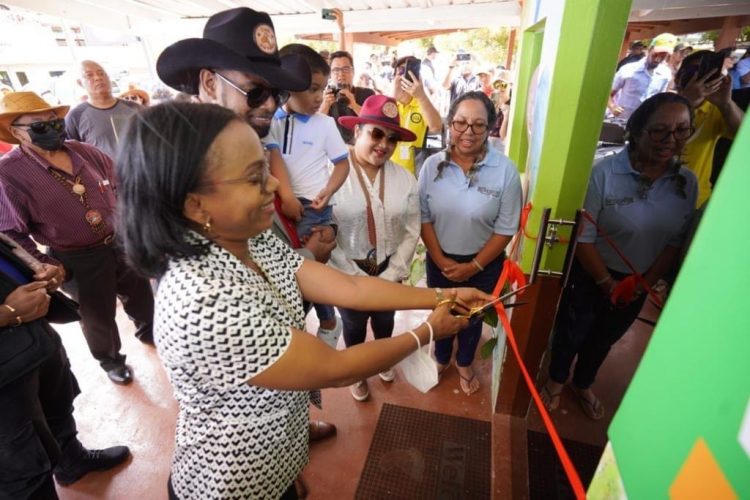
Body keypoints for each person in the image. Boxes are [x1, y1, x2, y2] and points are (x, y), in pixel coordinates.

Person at [116, 101, 491, 499]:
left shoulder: (250, 239)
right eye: (254, 177)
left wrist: (442, 293)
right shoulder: (203, 300)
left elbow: (351, 288)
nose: (276, 186)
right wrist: (428, 332)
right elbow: (335, 368)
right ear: (195, 204)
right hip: (236, 481)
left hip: (278, 450)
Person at [541, 93, 698, 420]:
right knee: (572, 331)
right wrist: (606, 283)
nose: (670, 141)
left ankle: (583, 382)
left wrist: (644, 283)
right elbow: (584, 236)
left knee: (604, 340)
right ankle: (556, 381)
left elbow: (674, 240)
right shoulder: (604, 174)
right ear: (637, 131)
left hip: (639, 281)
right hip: (591, 275)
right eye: (660, 131)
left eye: (681, 130)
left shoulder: (686, 182)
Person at [0, 91, 154, 385]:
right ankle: (110, 360)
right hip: (76, 257)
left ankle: (149, 329)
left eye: (54, 121)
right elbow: (9, 231)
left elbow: (121, 187)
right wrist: (43, 263)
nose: (53, 128)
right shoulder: (9, 173)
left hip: (120, 241)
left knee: (140, 293)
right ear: (17, 132)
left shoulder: (85, 152)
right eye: (39, 126)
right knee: (97, 316)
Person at [0, 233, 130, 498]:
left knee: (57, 406)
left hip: (34, 340)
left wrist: (39, 273)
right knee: (20, 463)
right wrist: (7, 313)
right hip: (5, 373)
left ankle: (72, 462)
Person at [418, 91, 522, 395]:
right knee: (443, 312)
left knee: (473, 317)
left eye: (478, 125)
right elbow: (423, 217)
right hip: (441, 260)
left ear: (490, 127)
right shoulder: (431, 166)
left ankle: (464, 362)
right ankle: (441, 358)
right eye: (461, 123)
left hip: (485, 263)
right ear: (450, 123)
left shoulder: (505, 172)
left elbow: (506, 227)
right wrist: (439, 260)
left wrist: (473, 266)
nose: (468, 132)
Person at [331, 95, 421, 401]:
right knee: (353, 326)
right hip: (347, 274)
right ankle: (357, 373)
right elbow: (326, 230)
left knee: (385, 322)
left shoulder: (405, 179)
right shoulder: (332, 173)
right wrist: (350, 277)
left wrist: (394, 272)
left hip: (389, 271)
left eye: (392, 139)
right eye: (377, 134)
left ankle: (383, 361)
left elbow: (412, 229)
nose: (384, 144)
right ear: (357, 131)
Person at [270, 43, 350, 346]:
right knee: (297, 270)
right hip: (281, 205)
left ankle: (326, 322)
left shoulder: (325, 124)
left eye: (323, 88)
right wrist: (286, 198)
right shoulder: (271, 121)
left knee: (303, 269)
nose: (320, 97)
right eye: (312, 89)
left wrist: (327, 191)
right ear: (287, 86)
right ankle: (316, 325)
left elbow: (342, 165)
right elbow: (273, 157)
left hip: (312, 206)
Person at [675, 50, 744, 208]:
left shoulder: (715, 110)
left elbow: (744, 137)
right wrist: (686, 102)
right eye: (693, 72)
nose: (698, 79)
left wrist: (726, 104)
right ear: (678, 77)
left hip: (694, 200)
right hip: (653, 197)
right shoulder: (660, 104)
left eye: (708, 73)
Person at [64, 60, 140, 158]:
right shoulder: (75, 117)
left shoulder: (135, 108)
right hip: (103, 173)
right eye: (89, 75)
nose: (98, 78)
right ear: (80, 83)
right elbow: (73, 154)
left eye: (101, 73)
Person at [389, 56, 442, 175]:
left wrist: (421, 96)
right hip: (388, 172)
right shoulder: (389, 103)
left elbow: (436, 129)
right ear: (393, 77)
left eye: (410, 72)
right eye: (401, 71)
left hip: (415, 175)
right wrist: (394, 97)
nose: (404, 76)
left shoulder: (423, 104)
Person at [608, 33, 676, 119]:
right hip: (623, 121)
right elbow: (608, 94)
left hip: (646, 123)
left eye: (663, 56)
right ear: (649, 49)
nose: (658, 58)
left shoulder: (665, 74)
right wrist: (613, 107)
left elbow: (660, 99)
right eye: (656, 54)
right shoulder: (628, 69)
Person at [320, 50, 376, 144]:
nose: (341, 75)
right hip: (334, 150)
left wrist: (353, 104)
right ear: (330, 74)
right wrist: (325, 106)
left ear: (353, 72)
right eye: (336, 70)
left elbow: (375, 123)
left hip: (361, 149)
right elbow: (316, 126)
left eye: (345, 69)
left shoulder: (367, 94)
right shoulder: (326, 96)